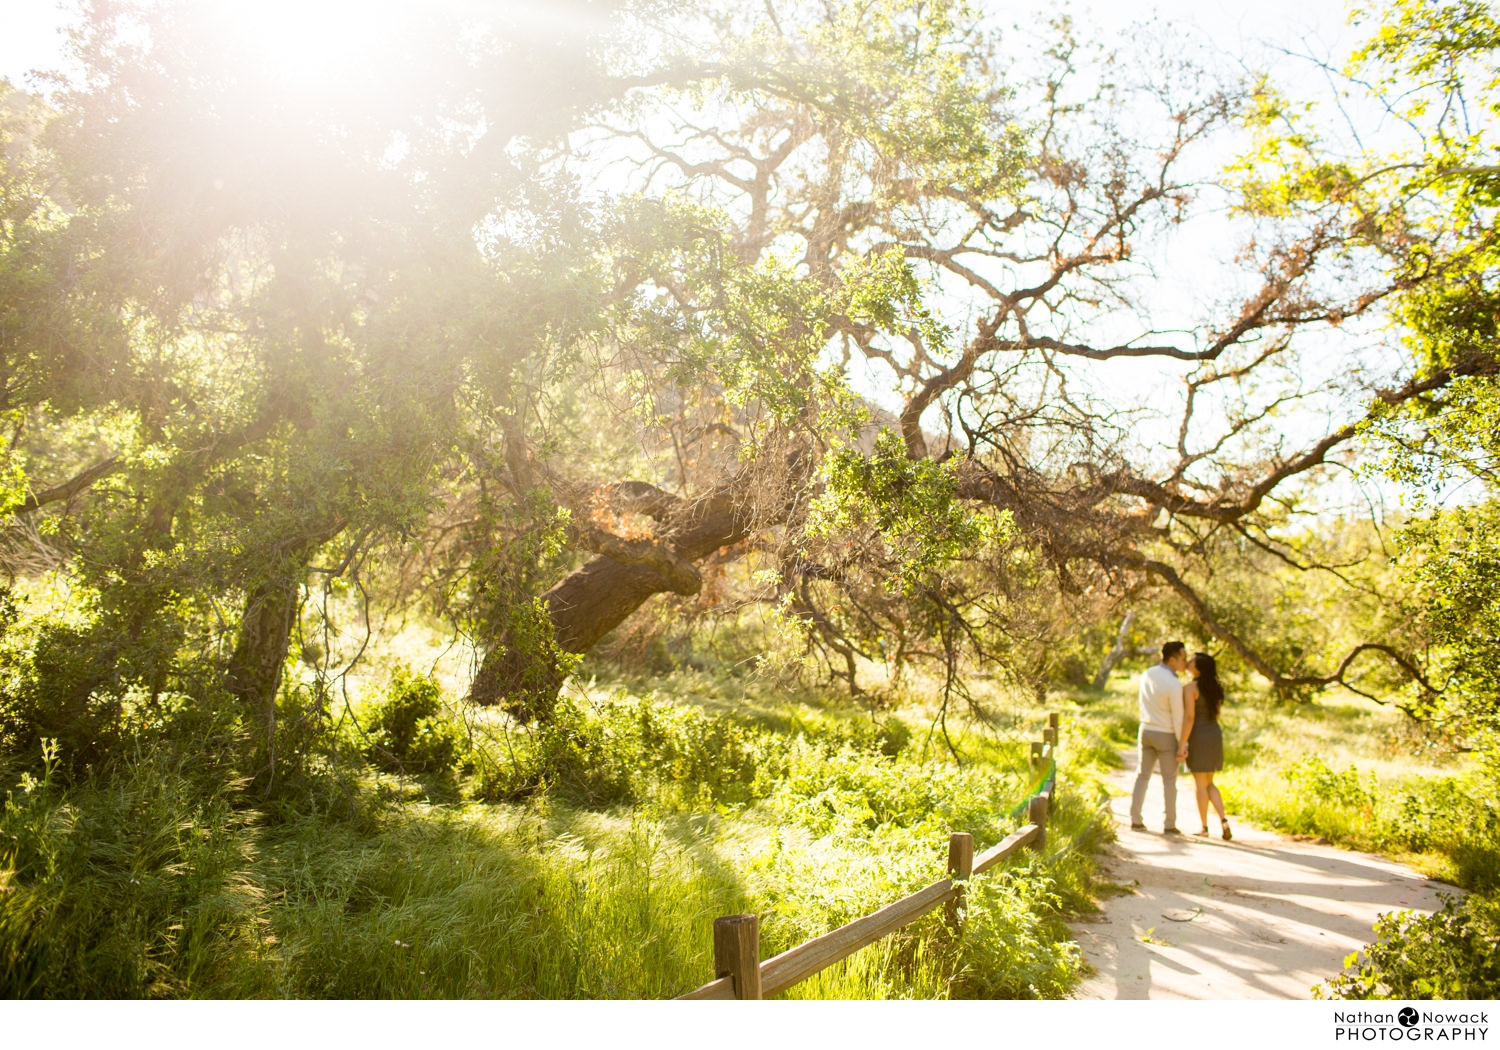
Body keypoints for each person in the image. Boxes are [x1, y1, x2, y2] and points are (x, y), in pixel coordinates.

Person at [1130, 641, 1187, 834]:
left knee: (1142, 775)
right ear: (1172, 659)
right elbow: (1178, 717)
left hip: (1146, 729)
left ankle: (1135, 818)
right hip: (1166, 733)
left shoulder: (1147, 674)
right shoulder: (1174, 684)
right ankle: (1169, 823)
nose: (1185, 662)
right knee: (1169, 781)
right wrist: (1182, 743)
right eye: (1182, 658)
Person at [1177, 651, 1232, 840]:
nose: (1189, 663)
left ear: (1198, 669)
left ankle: (1204, 826)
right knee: (1209, 782)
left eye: (1192, 662)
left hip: (1199, 735)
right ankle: (1223, 820)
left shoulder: (1190, 688)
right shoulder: (1216, 688)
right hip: (1214, 734)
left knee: (1200, 784)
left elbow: (1189, 717)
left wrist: (1182, 744)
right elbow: (1216, 715)